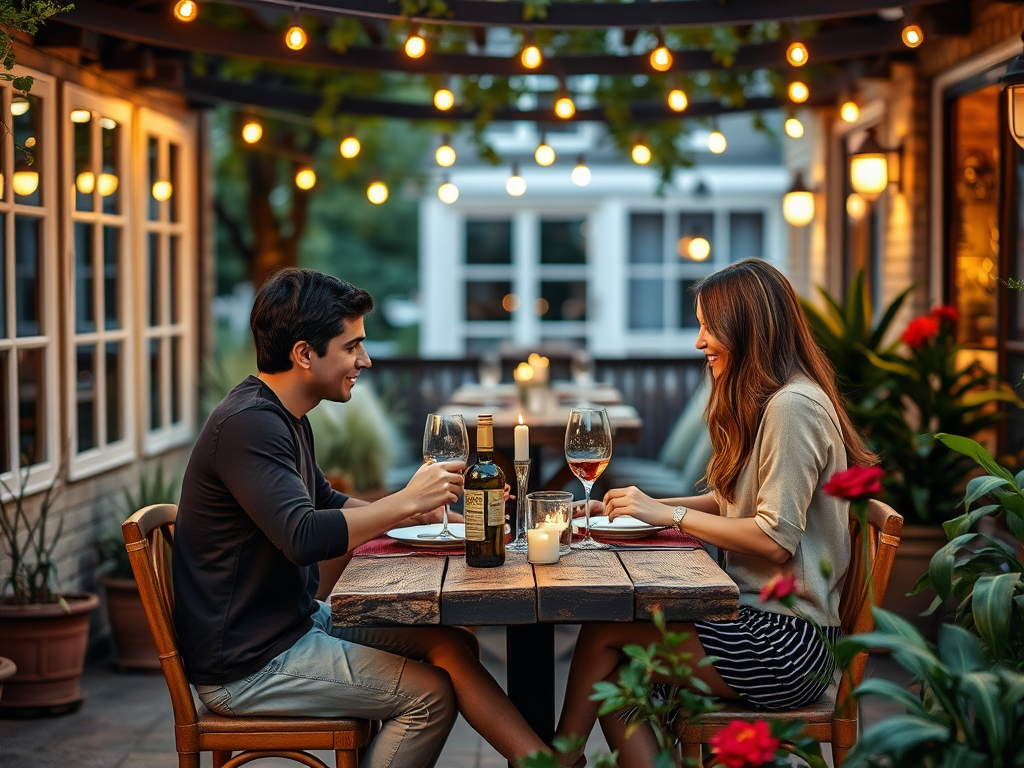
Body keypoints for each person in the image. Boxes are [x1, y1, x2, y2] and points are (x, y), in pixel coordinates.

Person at [172, 267, 555, 768]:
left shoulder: (283, 417)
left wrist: (433, 515)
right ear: (304, 354)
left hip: (294, 627)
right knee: (430, 695)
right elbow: (304, 536)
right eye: (352, 346)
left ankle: (543, 761)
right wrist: (403, 503)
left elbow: (328, 504)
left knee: (450, 645)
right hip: (249, 664)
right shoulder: (249, 425)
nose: (365, 360)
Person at [555, 259, 875, 768]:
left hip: (789, 643)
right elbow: (733, 506)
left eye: (709, 327)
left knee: (603, 633)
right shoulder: (771, 401)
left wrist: (668, 518)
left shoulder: (794, 408)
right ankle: (566, 758)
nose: (700, 342)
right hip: (756, 620)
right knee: (617, 662)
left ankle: (558, 759)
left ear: (747, 329)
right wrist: (648, 506)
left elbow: (775, 539)